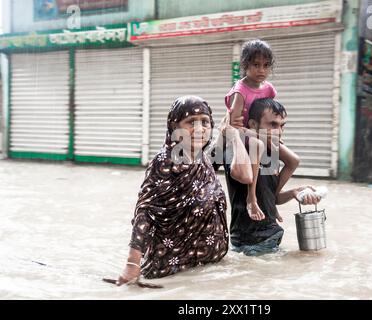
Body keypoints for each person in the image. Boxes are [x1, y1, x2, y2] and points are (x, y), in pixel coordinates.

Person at [116, 96, 252, 285]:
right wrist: (132, 264)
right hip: (172, 273)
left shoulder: (201, 159)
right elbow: (146, 212)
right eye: (190, 122)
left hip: (207, 270)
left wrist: (229, 131)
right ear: (174, 127)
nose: (199, 129)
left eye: (205, 122)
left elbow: (243, 173)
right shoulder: (166, 162)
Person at [223, 98, 321, 256]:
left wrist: (294, 192)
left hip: (271, 237)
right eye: (273, 125)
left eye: (282, 126)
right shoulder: (237, 152)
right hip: (249, 243)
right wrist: (235, 133)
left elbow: (272, 199)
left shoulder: (271, 155)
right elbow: (244, 177)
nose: (280, 132)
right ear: (254, 125)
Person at [225, 39, 300, 223]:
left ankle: (272, 200)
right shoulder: (240, 91)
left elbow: (270, 112)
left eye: (266, 66)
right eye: (256, 65)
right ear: (245, 65)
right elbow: (233, 124)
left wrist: (274, 135)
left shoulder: (269, 89)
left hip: (260, 132)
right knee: (258, 145)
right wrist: (254, 134)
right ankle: (252, 198)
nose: (262, 70)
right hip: (243, 132)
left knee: (293, 160)